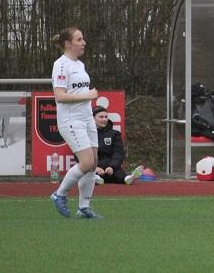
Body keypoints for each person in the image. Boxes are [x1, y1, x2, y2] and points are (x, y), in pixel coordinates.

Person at [49, 27, 102, 219]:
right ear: (67, 43)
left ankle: (84, 207)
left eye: (83, 39)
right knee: (86, 161)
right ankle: (59, 194)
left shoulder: (80, 64)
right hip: (71, 120)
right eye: (79, 39)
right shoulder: (61, 65)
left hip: (86, 118)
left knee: (93, 163)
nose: (83, 43)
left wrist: (86, 99)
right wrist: (87, 95)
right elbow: (60, 96)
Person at [93, 106, 144, 185]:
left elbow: (118, 152)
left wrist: (112, 166)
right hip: (94, 168)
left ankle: (127, 178)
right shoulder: (85, 134)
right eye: (101, 117)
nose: (104, 119)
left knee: (119, 173)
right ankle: (96, 179)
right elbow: (81, 154)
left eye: (106, 117)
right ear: (93, 118)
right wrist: (95, 168)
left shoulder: (115, 134)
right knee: (87, 172)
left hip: (110, 168)